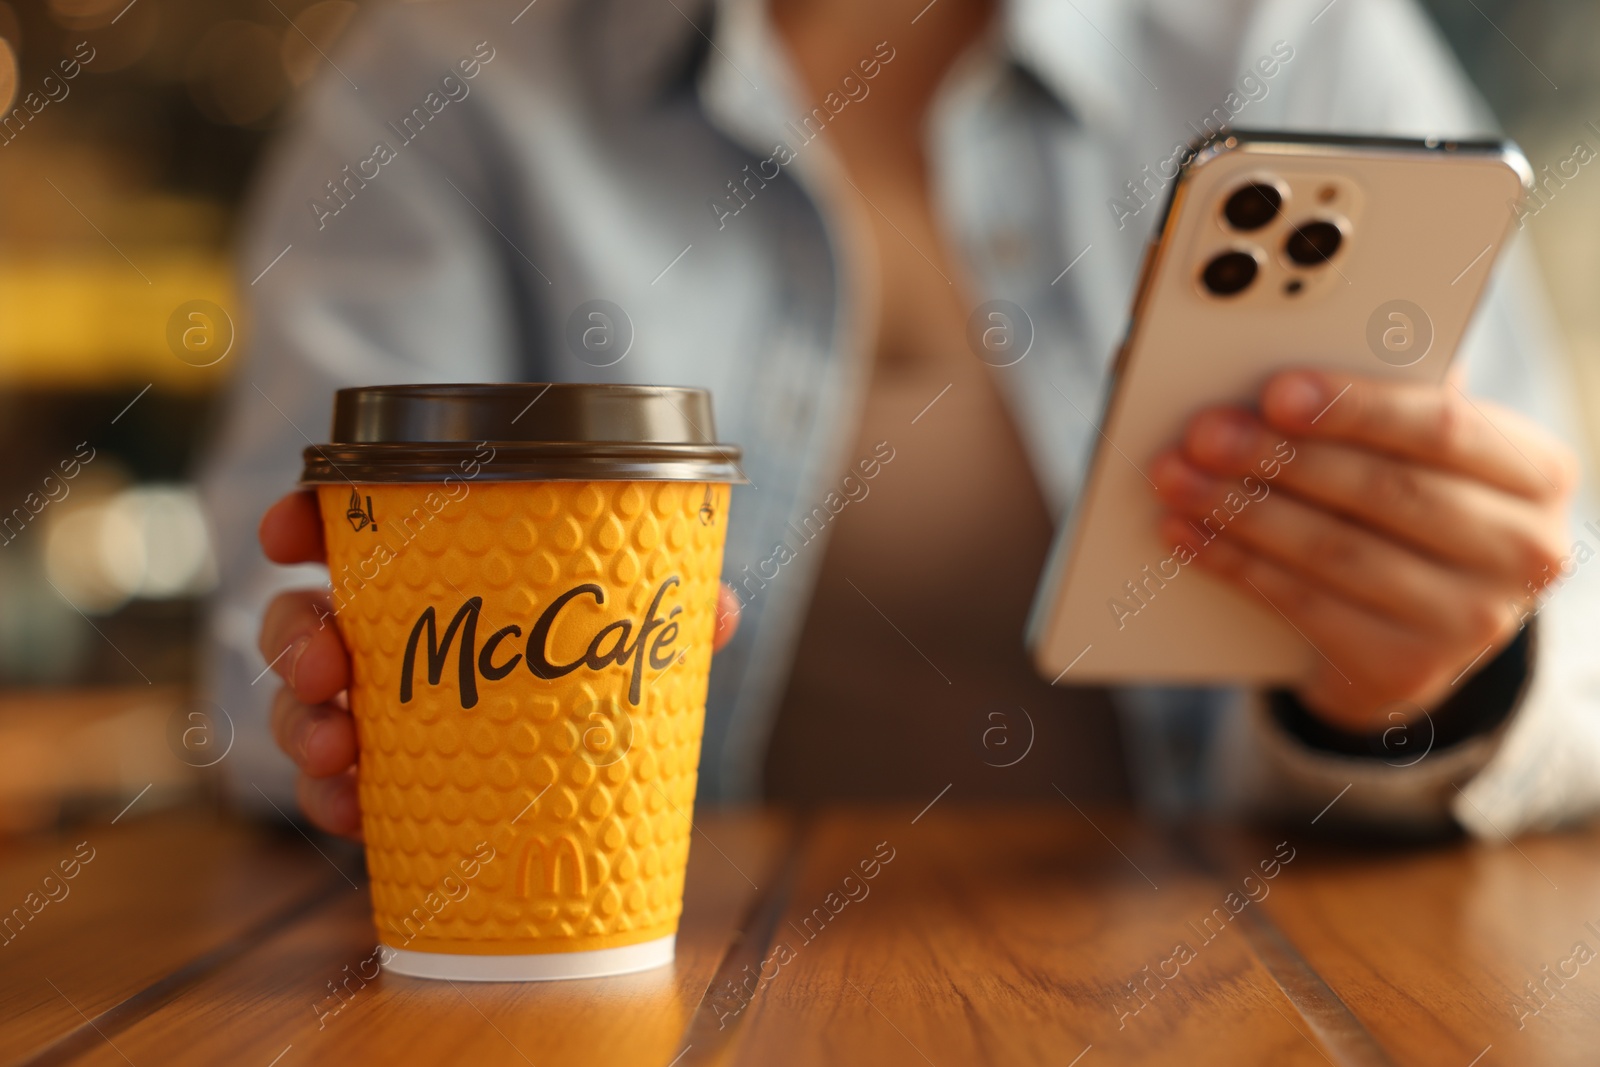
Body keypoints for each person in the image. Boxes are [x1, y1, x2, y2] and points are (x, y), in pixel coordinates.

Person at [204, 0, 1600, 841]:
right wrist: (350, 705)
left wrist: (1420, 693)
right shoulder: (444, 80)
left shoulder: (1286, 39)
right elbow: (265, 646)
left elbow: (1568, 637)